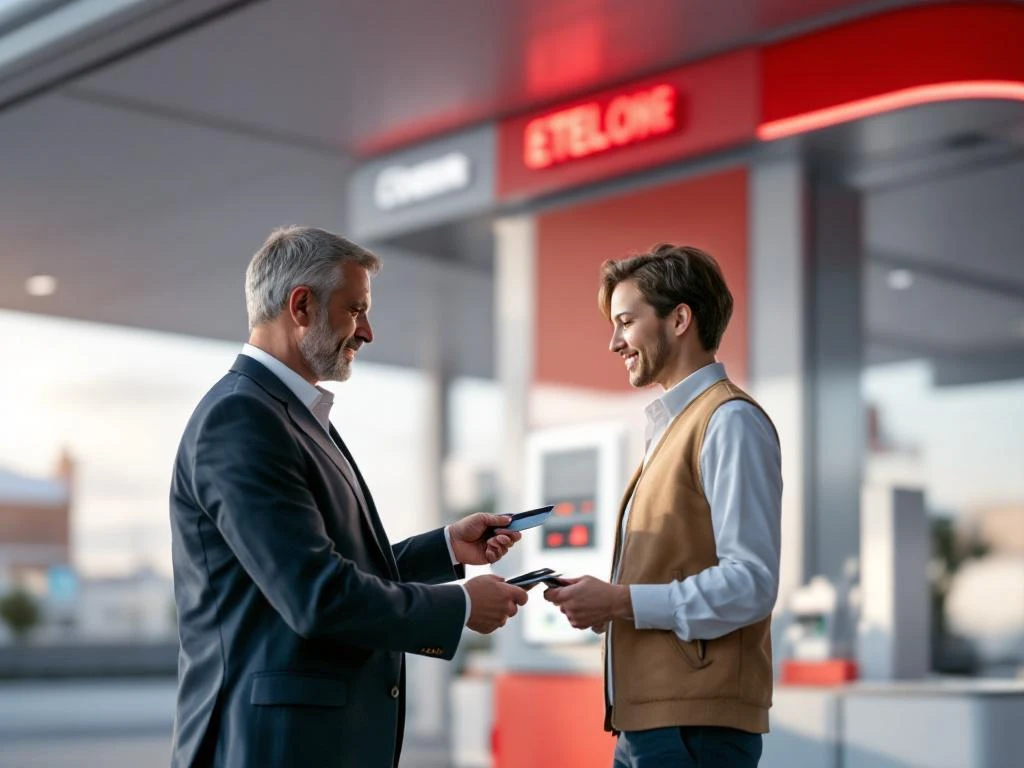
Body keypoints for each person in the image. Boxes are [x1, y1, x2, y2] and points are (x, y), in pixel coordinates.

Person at [169, 226, 528, 768]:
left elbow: (333, 566)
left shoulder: (291, 416)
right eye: (356, 310)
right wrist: (460, 607)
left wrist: (447, 549)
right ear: (302, 305)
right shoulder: (240, 418)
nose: (368, 332)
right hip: (267, 747)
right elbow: (315, 595)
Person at [544, 243, 782, 768]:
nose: (614, 342)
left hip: (696, 730)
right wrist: (606, 604)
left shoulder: (730, 422)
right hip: (648, 724)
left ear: (679, 319)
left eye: (625, 321)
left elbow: (751, 583)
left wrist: (619, 602)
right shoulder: (673, 428)